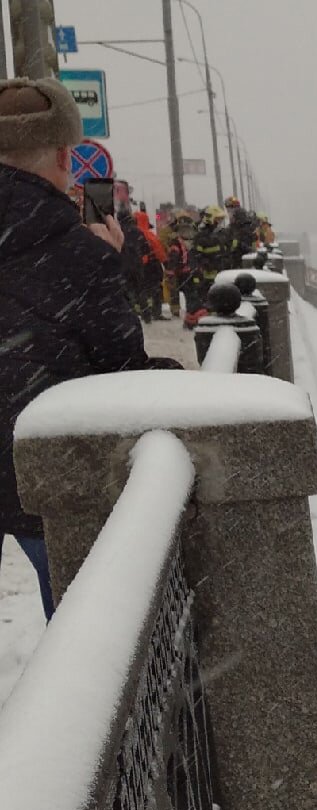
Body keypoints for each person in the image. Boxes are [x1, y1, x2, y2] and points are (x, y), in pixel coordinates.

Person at [1, 77, 182, 618]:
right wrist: (110, 265)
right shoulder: (74, 252)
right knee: (86, 637)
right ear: (62, 155)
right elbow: (122, 369)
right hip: (40, 477)